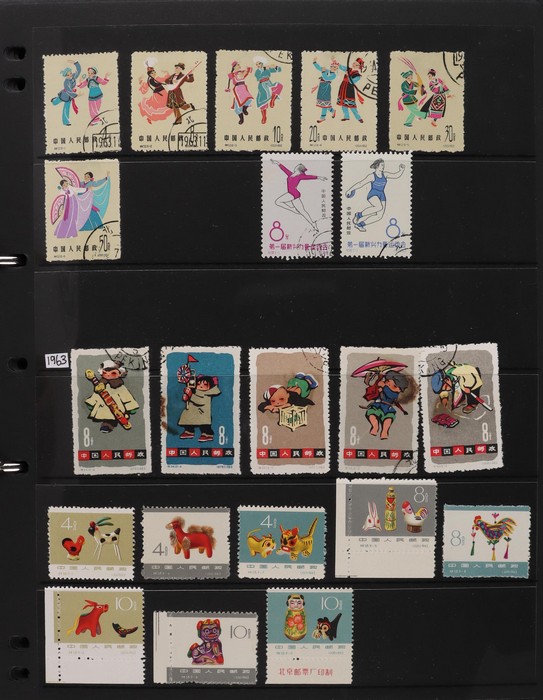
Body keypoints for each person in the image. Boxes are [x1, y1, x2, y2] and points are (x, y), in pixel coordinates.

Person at [346, 159, 406, 231]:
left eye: (384, 165)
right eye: (382, 165)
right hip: (373, 194)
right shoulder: (372, 176)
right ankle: (358, 215)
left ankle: (360, 225)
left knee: (379, 216)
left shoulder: (385, 174)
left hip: (382, 195)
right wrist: (350, 189)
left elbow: (396, 175)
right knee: (379, 207)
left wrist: (401, 170)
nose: (383, 167)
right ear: (377, 166)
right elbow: (360, 183)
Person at [271, 159, 327, 232]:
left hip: (292, 194)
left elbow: (309, 177)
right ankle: (314, 224)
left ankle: (293, 209)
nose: (295, 167)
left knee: (278, 201)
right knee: (302, 211)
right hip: (294, 194)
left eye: (296, 166)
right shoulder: (290, 174)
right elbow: (284, 169)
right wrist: (278, 163)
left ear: (298, 169)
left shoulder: (300, 176)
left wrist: (319, 177)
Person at [85, 360, 139, 433]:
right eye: (105, 373)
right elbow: (96, 396)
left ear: (119, 374)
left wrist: (131, 407)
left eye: (113, 373)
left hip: (118, 410)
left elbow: (127, 397)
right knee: (105, 415)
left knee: (116, 417)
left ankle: (110, 424)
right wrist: (91, 403)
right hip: (103, 408)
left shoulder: (120, 387)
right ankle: (106, 424)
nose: (108, 375)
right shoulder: (100, 385)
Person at [365, 370, 408, 440]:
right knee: (371, 414)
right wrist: (375, 378)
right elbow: (370, 386)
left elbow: (390, 395)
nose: (387, 384)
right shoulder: (382, 385)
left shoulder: (395, 394)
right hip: (377, 406)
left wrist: (384, 387)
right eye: (387, 381)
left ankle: (384, 431)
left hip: (387, 409)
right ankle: (375, 427)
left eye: (395, 387)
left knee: (388, 419)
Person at [178, 375, 221, 442]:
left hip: (202, 413)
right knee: (187, 420)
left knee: (204, 425)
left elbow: (200, 401)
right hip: (192, 411)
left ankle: (208, 434)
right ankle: (189, 431)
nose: (201, 386)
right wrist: (186, 396)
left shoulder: (207, 394)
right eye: (198, 384)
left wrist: (190, 396)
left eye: (205, 384)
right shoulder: (195, 391)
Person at [51, 59, 81, 126]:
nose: (70, 75)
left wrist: (75, 63)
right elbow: (68, 90)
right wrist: (76, 95)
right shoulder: (66, 82)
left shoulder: (73, 76)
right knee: (55, 102)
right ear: (65, 76)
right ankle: (54, 100)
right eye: (68, 74)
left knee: (66, 108)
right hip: (65, 95)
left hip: (69, 96)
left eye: (70, 73)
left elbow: (78, 70)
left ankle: (66, 122)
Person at [253, 56, 283, 124]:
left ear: (262, 63)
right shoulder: (257, 71)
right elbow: (258, 76)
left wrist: (275, 66)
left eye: (259, 63)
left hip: (269, 83)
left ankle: (272, 99)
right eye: (257, 64)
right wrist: (264, 68)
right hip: (262, 86)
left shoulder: (267, 69)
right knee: (262, 100)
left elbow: (279, 70)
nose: (258, 65)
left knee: (279, 85)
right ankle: (264, 117)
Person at [336, 57, 364, 122]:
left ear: (359, 67)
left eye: (356, 65)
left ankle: (358, 118)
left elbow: (351, 82)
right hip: (343, 87)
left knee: (352, 105)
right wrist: (336, 62)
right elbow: (341, 67)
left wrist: (347, 75)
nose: (354, 65)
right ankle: (346, 116)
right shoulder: (348, 69)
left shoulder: (358, 75)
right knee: (343, 104)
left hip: (349, 90)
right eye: (354, 63)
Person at [312, 56, 338, 122]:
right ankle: (332, 111)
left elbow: (326, 78)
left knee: (325, 104)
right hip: (321, 88)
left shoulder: (334, 75)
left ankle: (322, 118)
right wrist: (314, 62)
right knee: (324, 103)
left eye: (336, 68)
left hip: (326, 88)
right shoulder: (327, 70)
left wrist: (323, 72)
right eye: (333, 67)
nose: (335, 68)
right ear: (331, 67)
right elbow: (319, 68)